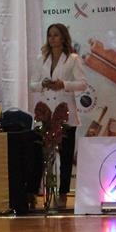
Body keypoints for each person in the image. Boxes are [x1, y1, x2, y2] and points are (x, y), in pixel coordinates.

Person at [29, 23, 88, 208]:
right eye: (50, 35)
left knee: (66, 156)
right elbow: (32, 84)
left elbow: (83, 84)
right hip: (45, 112)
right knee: (38, 154)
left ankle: (63, 193)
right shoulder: (41, 58)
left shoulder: (73, 58)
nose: (52, 38)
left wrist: (64, 84)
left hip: (65, 113)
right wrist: (43, 84)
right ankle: (33, 193)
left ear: (63, 37)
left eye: (55, 35)